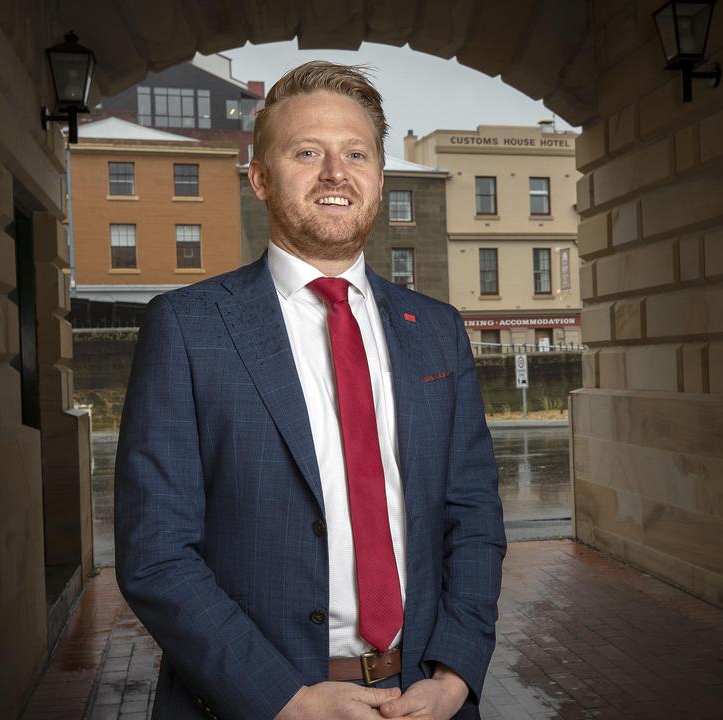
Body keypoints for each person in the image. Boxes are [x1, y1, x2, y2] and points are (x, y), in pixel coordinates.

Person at [114, 61, 506, 720]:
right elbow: (157, 555)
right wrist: (282, 699)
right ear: (261, 179)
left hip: (424, 697)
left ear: (379, 179)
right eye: (307, 152)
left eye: (356, 153)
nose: (335, 171)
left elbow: (474, 520)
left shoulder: (438, 332)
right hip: (261, 703)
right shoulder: (188, 328)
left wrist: (455, 674)